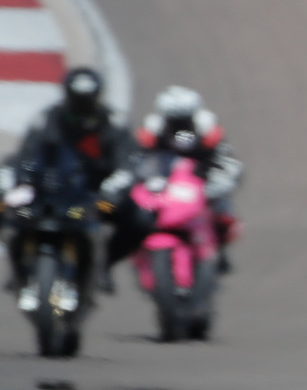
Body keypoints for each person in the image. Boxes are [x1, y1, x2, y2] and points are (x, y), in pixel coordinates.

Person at [1, 66, 136, 294]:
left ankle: (104, 265)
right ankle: (18, 268)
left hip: (98, 198)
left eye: (87, 99)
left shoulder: (113, 122)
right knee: (5, 207)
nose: (82, 105)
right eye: (77, 99)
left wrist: (114, 187)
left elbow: (128, 162)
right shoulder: (47, 118)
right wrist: (16, 180)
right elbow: (25, 156)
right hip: (50, 193)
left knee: (139, 218)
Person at [127, 85, 244, 273]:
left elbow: (227, 162)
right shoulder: (152, 130)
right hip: (163, 182)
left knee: (223, 215)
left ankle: (219, 251)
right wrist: (140, 182)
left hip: (201, 182)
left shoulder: (208, 129)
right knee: (131, 214)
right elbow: (135, 160)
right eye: (174, 121)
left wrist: (218, 182)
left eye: (183, 120)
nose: (179, 126)